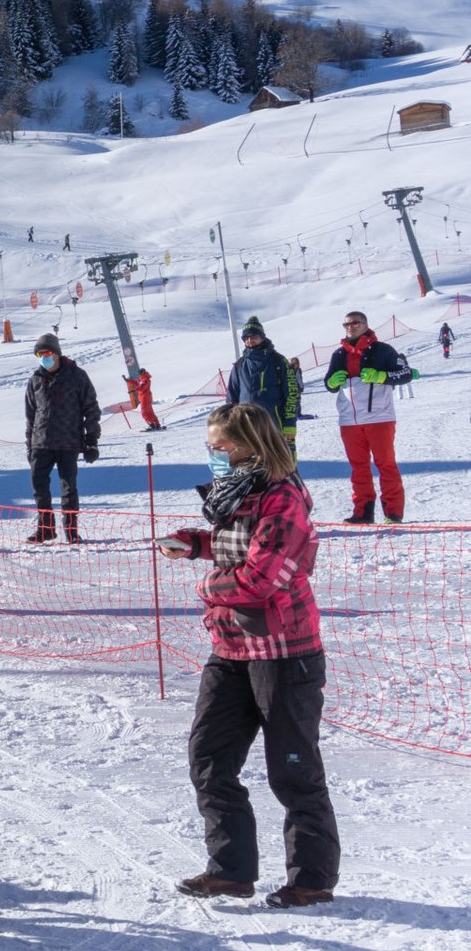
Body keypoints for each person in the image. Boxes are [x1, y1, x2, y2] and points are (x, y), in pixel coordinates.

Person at [159, 403, 339, 909]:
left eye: (220, 446)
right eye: (211, 446)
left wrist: (207, 584)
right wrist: (195, 544)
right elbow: (237, 548)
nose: (213, 454)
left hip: (284, 653)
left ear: (248, 447)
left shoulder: (283, 499)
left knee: (293, 770)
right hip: (232, 648)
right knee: (210, 760)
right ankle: (231, 871)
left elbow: (263, 577)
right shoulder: (239, 491)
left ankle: (312, 880)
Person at [325, 311, 413, 524]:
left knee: (386, 464)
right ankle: (362, 513)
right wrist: (331, 382)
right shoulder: (339, 354)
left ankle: (393, 513)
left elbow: (405, 373)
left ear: (365, 325)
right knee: (358, 467)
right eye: (346, 324)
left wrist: (382, 376)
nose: (350, 327)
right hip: (349, 420)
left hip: (379, 417)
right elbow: (328, 383)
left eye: (355, 323)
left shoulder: (383, 350)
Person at [24, 332, 101, 544]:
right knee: (39, 486)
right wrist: (30, 445)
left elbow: (91, 409)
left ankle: (71, 531)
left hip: (68, 441)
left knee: (69, 488)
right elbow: (30, 416)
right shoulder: (35, 380)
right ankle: (46, 529)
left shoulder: (77, 376)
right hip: (41, 442)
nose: (43, 358)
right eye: (39, 354)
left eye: (47, 353)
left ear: (57, 353)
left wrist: (91, 440)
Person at [224, 317, 299, 445]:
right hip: (247, 427)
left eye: (253, 336)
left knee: (282, 457)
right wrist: (232, 425)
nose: (250, 340)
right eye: (246, 338)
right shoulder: (240, 365)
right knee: (251, 458)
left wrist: (290, 424)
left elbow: (292, 393)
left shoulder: (278, 361)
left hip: (274, 425)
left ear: (262, 337)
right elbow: (232, 398)